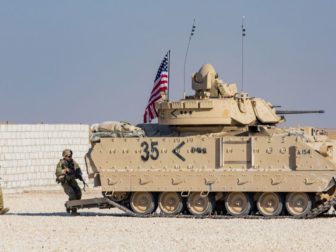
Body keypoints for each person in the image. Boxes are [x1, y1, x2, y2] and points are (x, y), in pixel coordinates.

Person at [55, 149, 83, 215]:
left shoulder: (73, 162)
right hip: (65, 182)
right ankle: (73, 211)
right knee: (72, 194)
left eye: (70, 156)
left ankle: (69, 205)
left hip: (72, 180)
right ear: (65, 156)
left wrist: (79, 175)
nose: (70, 157)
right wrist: (64, 170)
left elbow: (78, 169)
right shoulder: (61, 163)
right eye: (68, 156)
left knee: (78, 193)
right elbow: (57, 172)